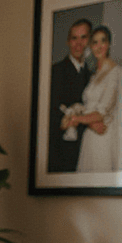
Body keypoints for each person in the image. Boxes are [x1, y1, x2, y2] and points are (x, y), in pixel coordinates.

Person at [66, 25, 121, 173]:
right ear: (90, 46)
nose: (99, 46)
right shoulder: (94, 74)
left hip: (102, 136)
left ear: (108, 44)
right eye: (95, 42)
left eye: (103, 41)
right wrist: (84, 120)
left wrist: (76, 119)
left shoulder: (114, 72)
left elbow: (101, 113)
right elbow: (88, 106)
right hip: (90, 135)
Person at [47, 18, 92, 173]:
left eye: (83, 37)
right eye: (74, 38)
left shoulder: (93, 76)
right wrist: (63, 122)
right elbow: (49, 111)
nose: (78, 43)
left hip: (87, 147)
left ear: (90, 41)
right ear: (68, 41)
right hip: (61, 150)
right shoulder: (55, 71)